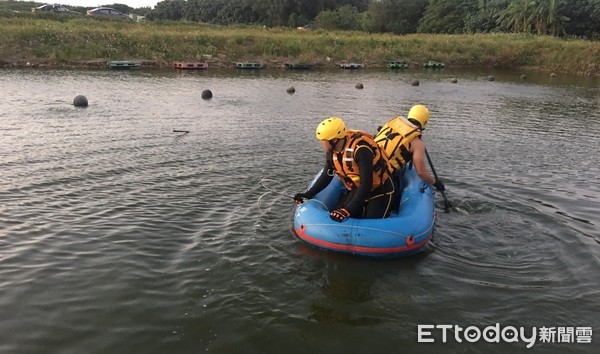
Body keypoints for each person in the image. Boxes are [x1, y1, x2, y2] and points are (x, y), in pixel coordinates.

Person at [293, 117, 395, 222]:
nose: (321, 143)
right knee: (343, 215)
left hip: (380, 189)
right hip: (357, 188)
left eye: (323, 141)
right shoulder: (332, 151)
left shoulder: (361, 150)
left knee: (371, 221)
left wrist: (347, 210)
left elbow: (366, 183)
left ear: (334, 140)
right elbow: (326, 176)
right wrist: (307, 195)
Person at [375, 104, 445, 191]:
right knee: (393, 193)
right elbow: (421, 172)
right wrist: (436, 183)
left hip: (365, 165)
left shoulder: (390, 125)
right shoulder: (418, 143)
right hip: (379, 176)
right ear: (425, 122)